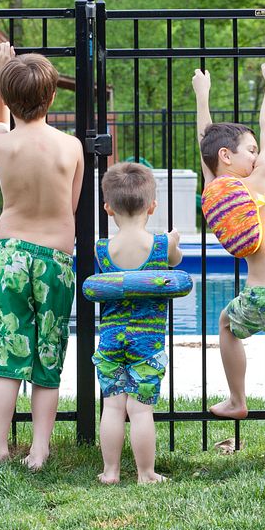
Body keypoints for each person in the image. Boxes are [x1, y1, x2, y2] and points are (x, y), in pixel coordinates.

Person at [193, 62, 265, 471]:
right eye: (250, 150)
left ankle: (237, 401)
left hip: (257, 296)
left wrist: (201, 96)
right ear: (230, 156)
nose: (257, 154)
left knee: (226, 322)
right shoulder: (262, 179)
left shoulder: (215, 188)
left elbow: (206, 146)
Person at [0, 41, 84, 469]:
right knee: (48, 356)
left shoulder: (0, 145)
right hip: (55, 258)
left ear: (7, 96)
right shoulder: (71, 147)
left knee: (6, 357)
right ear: (54, 96)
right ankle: (40, 450)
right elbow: (73, 205)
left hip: (10, 256)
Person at [92, 162, 183, 484]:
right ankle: (146, 473)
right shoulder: (160, 246)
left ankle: (111, 471)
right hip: (148, 342)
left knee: (113, 407)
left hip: (111, 339)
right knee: (141, 409)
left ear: (108, 208)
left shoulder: (102, 249)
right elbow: (176, 263)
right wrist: (173, 240)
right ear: (152, 206)